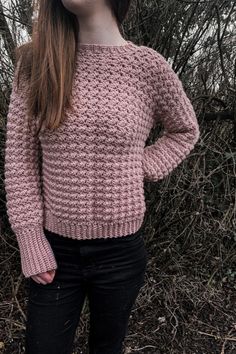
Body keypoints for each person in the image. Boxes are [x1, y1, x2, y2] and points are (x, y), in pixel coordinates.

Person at [4, 0, 200, 353]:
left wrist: (143, 164)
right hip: (53, 251)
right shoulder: (36, 63)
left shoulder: (147, 67)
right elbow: (20, 160)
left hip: (121, 254)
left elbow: (184, 130)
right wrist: (30, 239)